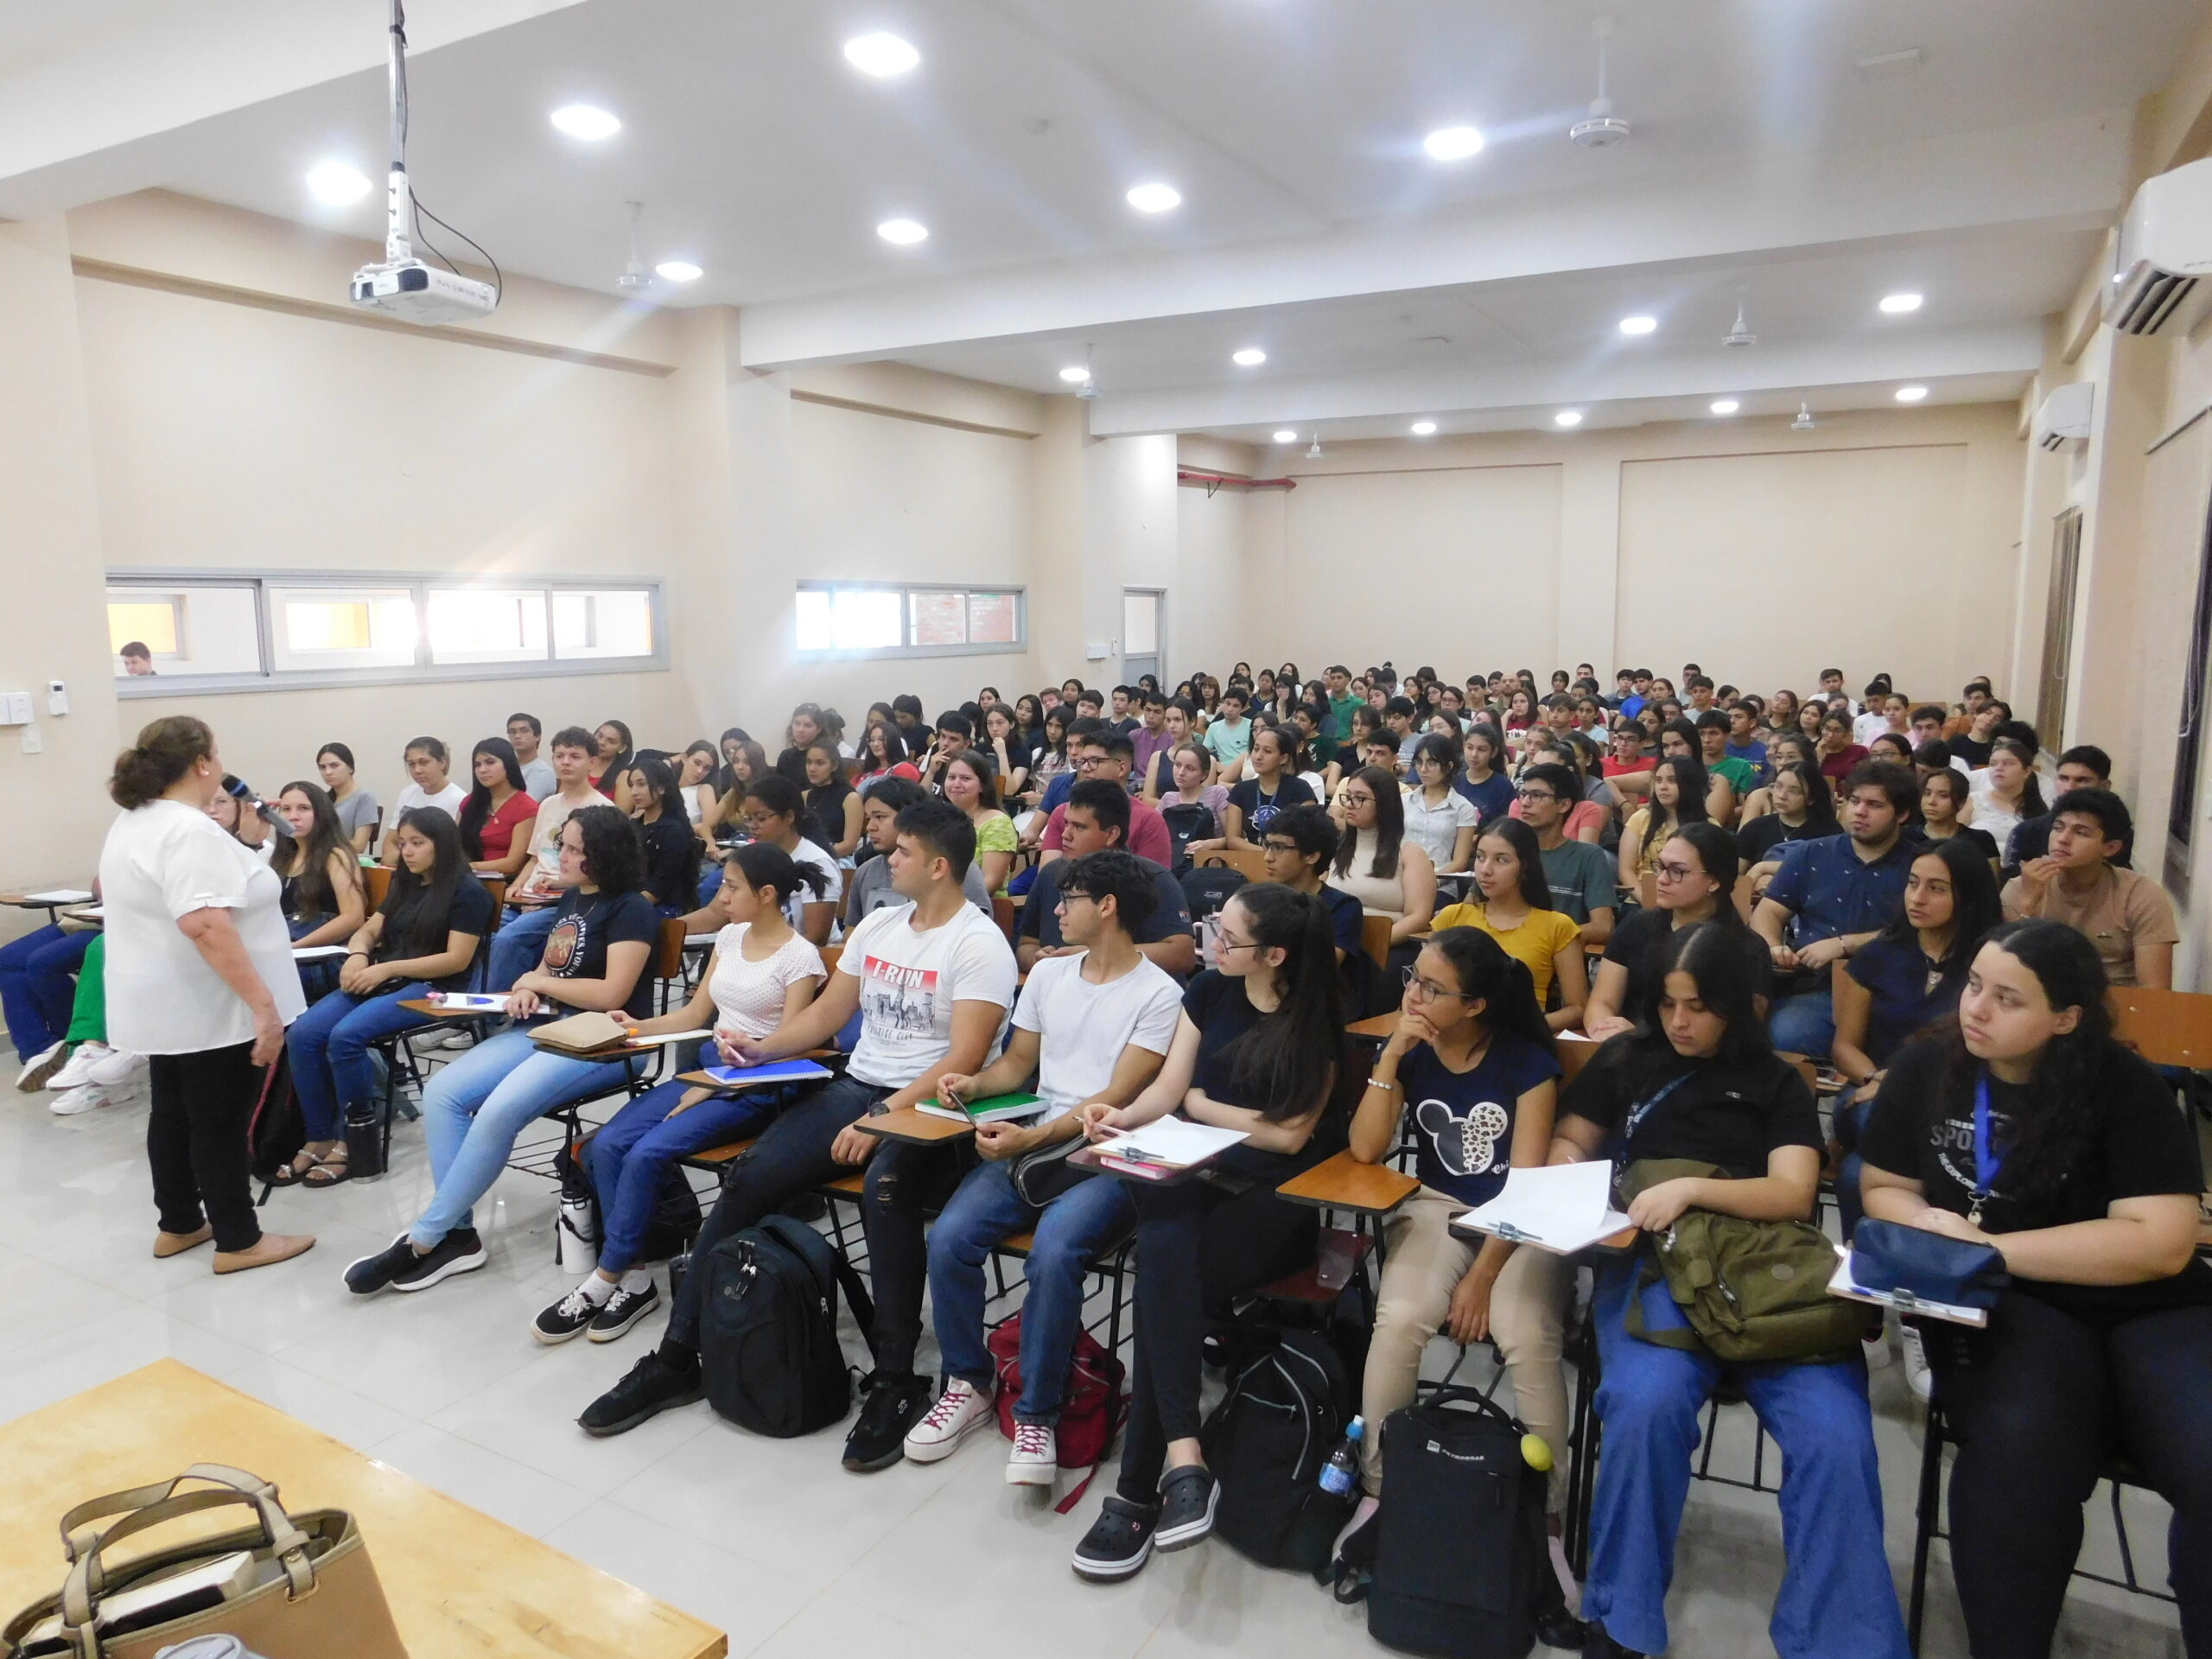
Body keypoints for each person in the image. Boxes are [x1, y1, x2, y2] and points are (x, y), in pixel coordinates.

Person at [577, 798, 1019, 1451]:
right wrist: (764, 1050)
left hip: (934, 1104)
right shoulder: (880, 927)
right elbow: (824, 1019)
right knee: (751, 1176)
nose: (884, 858)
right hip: (862, 1086)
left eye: (900, 851)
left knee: (886, 1190)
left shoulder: (980, 943)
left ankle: (897, 1379)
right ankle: (678, 1358)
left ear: (939, 866)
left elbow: (966, 1059)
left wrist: (884, 1116)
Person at [1552, 924, 1910, 1659]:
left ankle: (1842, 1641)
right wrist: (1576, 1193)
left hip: (1765, 1275)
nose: (1680, 1022)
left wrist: (1687, 1187)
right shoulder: (1625, 1061)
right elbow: (1569, 1145)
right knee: (1645, 1407)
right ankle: (1622, 1620)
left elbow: (1793, 1191)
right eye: (1669, 1004)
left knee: (1837, 1439)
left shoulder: (1777, 1080)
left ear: (1741, 1007)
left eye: (1700, 1007)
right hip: (1655, 1264)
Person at [1859, 921, 2212, 1658]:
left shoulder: (2124, 1085)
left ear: (2066, 1018)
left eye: (2008, 999)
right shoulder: (1929, 1069)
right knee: (2021, 1458)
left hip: (2148, 1304)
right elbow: (1884, 1187)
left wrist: (1992, 1247)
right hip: (2015, 1308)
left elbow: (2162, 1238)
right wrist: (1922, 1216)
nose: (1976, 1009)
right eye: (1976, 985)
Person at [1069, 885, 1346, 1580]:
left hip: (1272, 1199)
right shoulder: (1209, 993)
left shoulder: (1315, 1018)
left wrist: (1202, 1106)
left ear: (1273, 955)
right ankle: (1183, 1462)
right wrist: (1118, 1117)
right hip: (1191, 1174)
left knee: (1167, 1269)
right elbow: (1166, 1094)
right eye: (1211, 929)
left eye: (1226, 937)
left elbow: (1288, 1139)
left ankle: (1139, 1493)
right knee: (1167, 1252)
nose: (1209, 944)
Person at [895, 850, 1185, 1479]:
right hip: (1037, 1142)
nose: (1055, 909)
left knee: (1056, 1253)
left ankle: (1038, 1415)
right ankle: (968, 1383)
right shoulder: (1052, 978)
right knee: (949, 1238)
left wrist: (1032, 1140)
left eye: (1069, 898)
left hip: (1107, 1151)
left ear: (1106, 907)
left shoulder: (1160, 995)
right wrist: (970, 1084)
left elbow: (1116, 1097)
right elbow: (1015, 1065)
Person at [346, 805, 659, 1294]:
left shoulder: (631, 909)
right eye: (565, 844)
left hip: (608, 1039)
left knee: (498, 1111)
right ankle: (460, 1235)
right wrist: (536, 988)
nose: (563, 855)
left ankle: (426, 1238)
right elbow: (560, 970)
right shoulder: (574, 899)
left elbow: (612, 994)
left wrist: (539, 980)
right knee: (444, 1092)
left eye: (576, 849)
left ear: (603, 856)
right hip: (552, 1025)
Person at [531, 842, 828, 1344]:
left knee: (647, 1154)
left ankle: (605, 1277)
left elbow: (792, 1048)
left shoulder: (801, 957)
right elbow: (693, 1017)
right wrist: (637, 1026)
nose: (722, 894)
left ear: (768, 894)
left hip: (755, 1084)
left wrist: (714, 1089)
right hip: (710, 1074)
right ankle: (636, 1277)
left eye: (732, 886)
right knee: (605, 1146)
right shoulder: (731, 938)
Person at [1345, 929, 1573, 1535]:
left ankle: (1545, 1512)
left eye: (1431, 987)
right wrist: (1389, 1058)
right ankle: (1380, 1486)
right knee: (1399, 1319)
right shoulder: (1414, 1049)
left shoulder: (1527, 1064)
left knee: (1524, 1332)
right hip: (1436, 1207)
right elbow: (1367, 1150)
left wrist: (1481, 1278)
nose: (1414, 995)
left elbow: (1525, 1189)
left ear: (1475, 1005)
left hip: (1517, 1220)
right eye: (1412, 978)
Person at [99, 716, 313, 1274]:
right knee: (218, 1120)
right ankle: (239, 1238)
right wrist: (263, 1007)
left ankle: (180, 1223)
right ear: (201, 763)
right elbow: (207, 926)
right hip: (209, 1002)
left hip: (163, 1001)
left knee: (171, 1112)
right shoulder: (187, 829)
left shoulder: (136, 819)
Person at [280, 808, 493, 1188]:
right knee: (303, 1033)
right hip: (388, 975)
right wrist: (359, 955)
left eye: (417, 843)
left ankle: (355, 1140)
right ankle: (319, 1135)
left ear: (441, 846)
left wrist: (387, 969)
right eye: (403, 843)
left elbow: (456, 959)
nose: (406, 852)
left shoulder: (468, 892)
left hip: (438, 988)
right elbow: (369, 928)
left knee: (346, 1037)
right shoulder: (405, 882)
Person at [1827, 836, 2001, 1243]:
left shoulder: (1989, 962)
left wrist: (1899, 1081)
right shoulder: (1879, 955)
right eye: (1912, 883)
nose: (1917, 898)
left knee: (1855, 1174)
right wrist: (1880, 1080)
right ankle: (1869, 1272)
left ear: (1967, 896)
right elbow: (1844, 1047)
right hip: (1871, 1089)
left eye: (1936, 888)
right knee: (1871, 1118)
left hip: (1961, 1097)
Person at [1752, 761, 1919, 1058]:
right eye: (1854, 801)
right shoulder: (1811, 853)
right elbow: (1768, 913)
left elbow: (1923, 931)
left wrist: (1845, 945)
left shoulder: (1921, 865)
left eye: (1874, 805)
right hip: (1817, 986)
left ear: (1902, 814)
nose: (1859, 811)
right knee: (1786, 1034)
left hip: (1892, 988)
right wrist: (1774, 947)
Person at [1586, 823, 1768, 1040]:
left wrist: (1645, 1041)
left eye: (1677, 871)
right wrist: (1605, 1029)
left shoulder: (1747, 948)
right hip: (1630, 1049)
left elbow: (1745, 1029)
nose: (1662, 879)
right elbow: (1601, 1002)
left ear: (1714, 881)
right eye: (1660, 867)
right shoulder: (1636, 926)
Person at [2002, 789, 2177, 989]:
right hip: (2042, 1002)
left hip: (2116, 1003)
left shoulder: (2141, 894)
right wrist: (2027, 902)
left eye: (2081, 832)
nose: (2063, 839)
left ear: (2110, 848)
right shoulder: (2021, 887)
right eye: (2058, 828)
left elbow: (2155, 990)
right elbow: (2008, 970)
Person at [1016, 783, 1194, 978]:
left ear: (1111, 834)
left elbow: (1182, 955)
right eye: (1066, 823)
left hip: (1131, 996)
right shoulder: (1051, 874)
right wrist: (1037, 959)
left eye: (1079, 827)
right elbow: (1027, 944)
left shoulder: (1153, 878)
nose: (1065, 835)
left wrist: (1092, 957)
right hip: (1060, 990)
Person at [1431, 819, 1588, 1032]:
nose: (1485, 870)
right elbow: (1424, 987)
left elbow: (1577, 1008)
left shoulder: (1557, 926)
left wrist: (1527, 1029)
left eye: (1501, 860)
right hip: (1452, 1031)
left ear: (1524, 867)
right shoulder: (1452, 917)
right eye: (1480, 857)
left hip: (1520, 1035)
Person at [486, 727, 606, 990]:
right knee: (479, 930)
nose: (565, 762)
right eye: (560, 755)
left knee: (508, 938)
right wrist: (517, 886)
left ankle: (481, 1015)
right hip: (529, 897)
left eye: (575, 756)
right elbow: (534, 859)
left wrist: (557, 890)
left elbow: (602, 873)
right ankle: (468, 1006)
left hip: (565, 903)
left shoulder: (602, 810)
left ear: (592, 763)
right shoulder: (549, 804)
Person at [696, 775, 842, 944]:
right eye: (748, 818)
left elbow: (815, 939)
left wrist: (763, 957)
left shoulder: (818, 863)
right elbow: (714, 914)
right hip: (760, 950)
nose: (752, 826)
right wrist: (666, 927)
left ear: (789, 817)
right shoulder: (750, 857)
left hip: (804, 959)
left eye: (762, 818)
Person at [846, 779, 994, 920]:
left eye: (880, 817)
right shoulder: (865, 872)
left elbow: (977, 924)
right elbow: (852, 934)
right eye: (869, 818)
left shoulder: (957, 868)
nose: (870, 827)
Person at [1328, 766, 1437, 947]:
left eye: (1360, 798)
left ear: (1384, 803)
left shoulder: (1410, 853)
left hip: (1388, 946)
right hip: (1337, 942)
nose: (1349, 804)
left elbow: (1418, 917)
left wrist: (1372, 945)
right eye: (1347, 796)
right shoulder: (1337, 848)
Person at [1511, 763, 1617, 947]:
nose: (1525, 803)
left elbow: (1603, 927)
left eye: (1537, 795)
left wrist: (1544, 937)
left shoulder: (1588, 856)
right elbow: (1471, 908)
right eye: (1522, 794)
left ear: (1564, 804)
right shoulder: (1507, 850)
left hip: (1560, 956)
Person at [1039, 731, 1173, 868]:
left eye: (1094, 761)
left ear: (1121, 768)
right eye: (1082, 762)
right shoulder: (1063, 813)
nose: (1085, 769)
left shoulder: (1149, 820)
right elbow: (1049, 874)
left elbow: (1153, 882)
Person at [1260, 804, 1368, 965]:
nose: (1267, 857)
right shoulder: (1259, 900)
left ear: (1312, 856)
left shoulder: (1342, 907)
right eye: (1268, 846)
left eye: (1279, 848)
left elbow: (1323, 968)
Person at [269, 780, 367, 953]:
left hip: (319, 953)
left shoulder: (336, 856)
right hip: (284, 946)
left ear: (321, 814)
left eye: (304, 808)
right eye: (286, 809)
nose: (293, 816)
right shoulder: (283, 858)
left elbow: (353, 918)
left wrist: (296, 947)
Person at [1198, 723, 1318, 854]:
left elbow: (1307, 837)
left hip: (1289, 862)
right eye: (1256, 749)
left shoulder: (1301, 789)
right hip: (1252, 860)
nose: (1258, 756)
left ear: (1283, 758)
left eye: (1267, 751)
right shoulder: (1241, 790)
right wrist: (1266, 854)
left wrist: (1278, 856)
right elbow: (1233, 840)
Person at [2005, 746, 2127, 869]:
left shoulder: (2116, 830)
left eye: (2082, 780)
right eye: (2063, 778)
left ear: (2105, 785)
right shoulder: (2026, 831)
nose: (2069, 787)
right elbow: (2010, 880)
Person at [616, 755, 703, 916]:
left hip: (666, 908)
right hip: (636, 901)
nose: (634, 792)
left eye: (641, 784)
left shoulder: (674, 830)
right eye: (631, 785)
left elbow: (658, 889)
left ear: (661, 788)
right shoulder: (635, 826)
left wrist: (620, 909)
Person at [1619, 755, 1710, 890]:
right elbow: (1626, 871)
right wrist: (1647, 901)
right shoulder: (1640, 818)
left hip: (1687, 899)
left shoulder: (1709, 826)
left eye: (1672, 780)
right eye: (1658, 780)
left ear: (1689, 784)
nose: (1663, 787)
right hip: (1642, 899)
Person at [456, 738, 539, 880]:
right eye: (477, 764)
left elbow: (513, 864)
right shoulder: (469, 802)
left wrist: (469, 867)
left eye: (490, 762)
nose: (482, 770)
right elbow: (455, 844)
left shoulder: (526, 807)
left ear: (508, 764)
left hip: (503, 883)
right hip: (466, 879)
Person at [1399, 734, 1480, 875]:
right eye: (1419, 762)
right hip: (1402, 875)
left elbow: (1459, 862)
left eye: (1431, 763)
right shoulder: (1404, 801)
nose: (1423, 769)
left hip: (1442, 880)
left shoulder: (1463, 808)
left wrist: (1431, 881)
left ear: (1448, 766)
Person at [1734, 760, 1837, 868]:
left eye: (1794, 791)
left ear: (1810, 799)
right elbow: (1738, 874)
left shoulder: (1829, 833)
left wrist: (1763, 869)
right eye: (1778, 786)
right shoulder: (1756, 827)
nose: (1782, 796)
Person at [943, 749, 1018, 893]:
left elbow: (991, 881)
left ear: (982, 786)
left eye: (965, 779)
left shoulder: (997, 823)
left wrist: (948, 905)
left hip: (980, 907)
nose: (956, 784)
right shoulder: (939, 818)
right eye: (951, 777)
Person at [378, 736, 465, 862]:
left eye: (424, 762)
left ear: (442, 763)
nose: (417, 770)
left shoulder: (459, 799)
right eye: (411, 765)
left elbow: (446, 848)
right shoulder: (407, 793)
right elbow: (391, 840)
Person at [1967, 738, 2044, 860]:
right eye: (1993, 764)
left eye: (2008, 763)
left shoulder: (2038, 810)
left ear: (2027, 771)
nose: (1999, 768)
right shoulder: (1973, 800)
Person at [1916, 767, 1999, 863]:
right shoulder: (1906, 838)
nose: (1931, 801)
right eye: (1927, 794)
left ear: (1961, 803)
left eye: (1943, 796)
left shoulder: (1981, 840)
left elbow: (1991, 877)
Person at [800, 741, 862, 860]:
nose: (812, 768)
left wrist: (817, 856)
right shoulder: (804, 796)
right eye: (809, 762)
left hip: (837, 859)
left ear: (834, 766)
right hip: (806, 857)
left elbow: (849, 845)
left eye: (820, 763)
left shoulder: (850, 798)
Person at [315, 742, 380, 853]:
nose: (328, 772)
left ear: (350, 767)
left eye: (334, 765)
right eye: (322, 767)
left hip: (346, 862)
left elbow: (359, 846)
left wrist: (319, 842)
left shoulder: (364, 798)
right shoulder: (322, 800)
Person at [1453, 721, 1516, 826]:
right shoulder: (1454, 781)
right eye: (1470, 748)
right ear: (1463, 746)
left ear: (1493, 752)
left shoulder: (1503, 786)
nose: (1474, 755)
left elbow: (1504, 827)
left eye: (1481, 750)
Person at [855, 720, 920, 794]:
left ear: (892, 741)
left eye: (881, 739)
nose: (875, 744)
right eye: (872, 740)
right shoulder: (868, 770)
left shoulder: (906, 769)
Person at [1200, 685, 1254, 773]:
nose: (1230, 709)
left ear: (1242, 709)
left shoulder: (1251, 725)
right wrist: (1216, 764)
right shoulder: (1214, 727)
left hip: (1245, 769)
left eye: (1235, 706)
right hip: (1222, 770)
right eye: (1227, 703)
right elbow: (1203, 753)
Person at [505, 714, 559, 800]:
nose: (517, 736)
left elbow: (523, 806)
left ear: (537, 736)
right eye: (512, 732)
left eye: (524, 731)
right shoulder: (505, 767)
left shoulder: (542, 772)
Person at [588, 721, 636, 797]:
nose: (602, 742)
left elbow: (621, 809)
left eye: (611, 741)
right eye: (600, 736)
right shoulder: (582, 765)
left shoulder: (624, 777)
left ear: (622, 748)